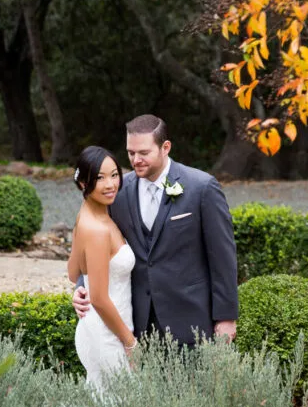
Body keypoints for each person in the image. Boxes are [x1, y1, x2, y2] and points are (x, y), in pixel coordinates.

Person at [73, 114, 239, 346]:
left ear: (165, 147)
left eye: (144, 153)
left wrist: (226, 317)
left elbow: (223, 256)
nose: (136, 160)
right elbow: (97, 240)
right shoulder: (117, 192)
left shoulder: (201, 188)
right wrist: (82, 285)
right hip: (136, 323)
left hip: (191, 320)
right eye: (131, 153)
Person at [68, 146, 137, 390]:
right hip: (109, 333)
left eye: (114, 175)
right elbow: (98, 298)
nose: (110, 184)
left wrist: (80, 288)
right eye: (100, 178)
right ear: (83, 183)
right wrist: (130, 343)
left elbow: (73, 272)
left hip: (103, 326)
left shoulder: (86, 217)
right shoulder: (96, 230)